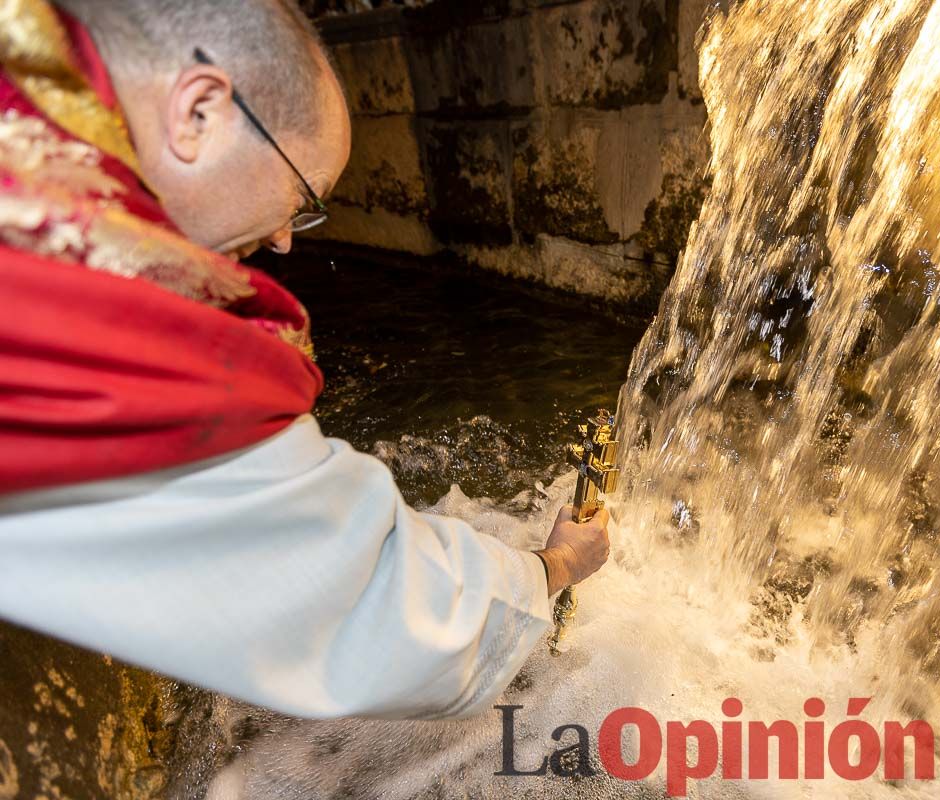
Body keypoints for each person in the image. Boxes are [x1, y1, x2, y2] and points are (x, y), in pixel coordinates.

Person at [0, 0, 610, 719]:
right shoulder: (99, 319)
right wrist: (555, 567)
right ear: (199, 113)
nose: (287, 238)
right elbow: (361, 602)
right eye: (302, 193)